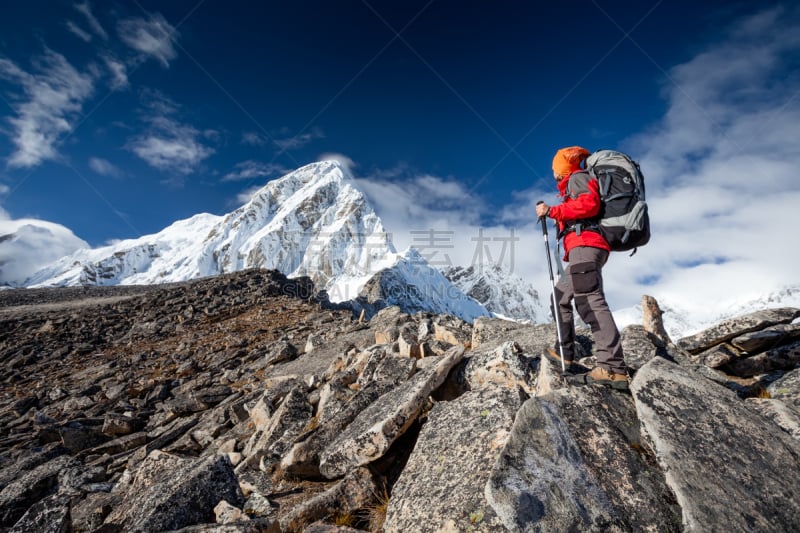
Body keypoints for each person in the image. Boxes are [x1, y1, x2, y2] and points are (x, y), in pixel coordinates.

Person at [534, 146, 628, 389]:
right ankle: (564, 351)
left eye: (555, 168)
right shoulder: (573, 184)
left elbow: (590, 205)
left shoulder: (578, 178)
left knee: (589, 300)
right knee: (560, 297)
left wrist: (552, 211)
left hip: (586, 246)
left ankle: (612, 368)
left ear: (562, 168)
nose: (553, 172)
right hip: (581, 249)